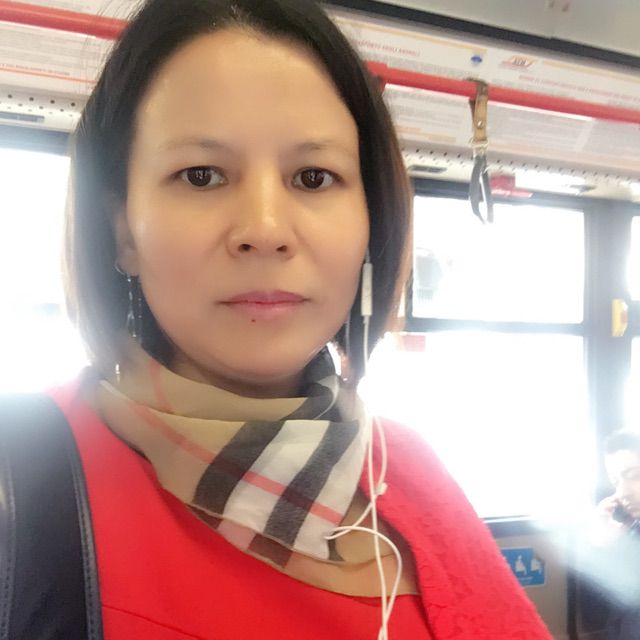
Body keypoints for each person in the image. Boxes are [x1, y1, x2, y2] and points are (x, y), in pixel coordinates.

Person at [7, 0, 552, 637]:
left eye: (314, 177)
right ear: (123, 230)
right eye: (202, 175)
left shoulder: (408, 468)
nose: (265, 230)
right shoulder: (23, 482)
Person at [588, 431, 640, 639]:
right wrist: (604, 546)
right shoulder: (632, 530)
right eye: (616, 482)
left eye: (634, 475)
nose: (623, 492)